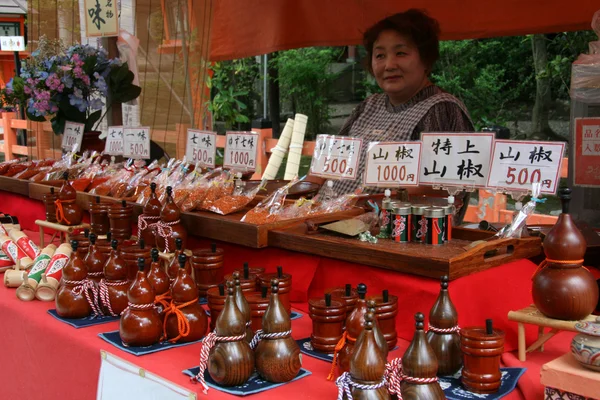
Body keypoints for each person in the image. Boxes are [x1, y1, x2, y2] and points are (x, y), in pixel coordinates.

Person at [308, 9, 474, 223]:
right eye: (380, 55)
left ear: (426, 59)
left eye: (401, 53)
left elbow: (439, 188)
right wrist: (298, 198)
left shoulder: (442, 109)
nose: (389, 65)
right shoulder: (369, 105)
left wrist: (366, 209)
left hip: (395, 235)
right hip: (329, 223)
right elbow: (326, 165)